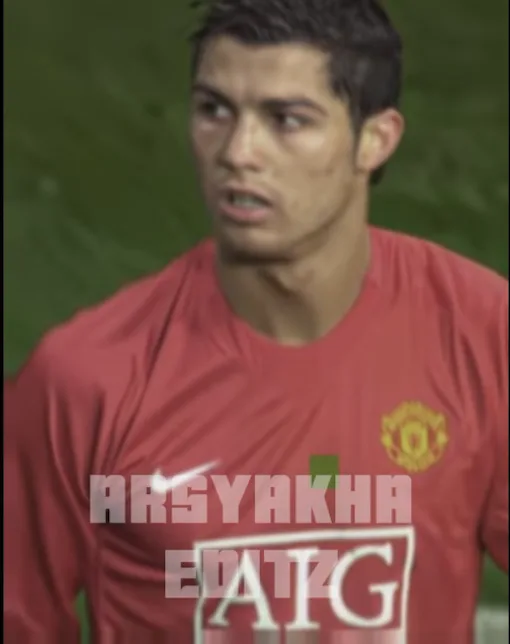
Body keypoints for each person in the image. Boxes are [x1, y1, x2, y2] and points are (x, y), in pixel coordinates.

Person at [4, 0, 508, 642]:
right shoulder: (84, 381)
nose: (238, 152)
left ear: (376, 139)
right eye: (214, 110)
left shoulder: (483, 335)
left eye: (286, 119)